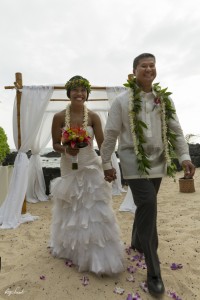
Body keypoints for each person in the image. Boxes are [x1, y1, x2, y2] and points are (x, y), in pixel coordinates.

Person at [100, 53, 195, 296]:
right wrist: (106, 163)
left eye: (152, 65)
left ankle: (136, 241)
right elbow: (110, 134)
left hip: (158, 162)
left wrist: (184, 157)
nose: (149, 69)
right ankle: (154, 271)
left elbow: (175, 129)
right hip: (133, 162)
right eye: (144, 65)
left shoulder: (163, 100)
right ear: (134, 71)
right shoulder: (121, 101)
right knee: (149, 204)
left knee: (146, 206)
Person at [50, 75, 124, 276]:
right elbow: (55, 144)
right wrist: (66, 150)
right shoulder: (58, 117)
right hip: (69, 166)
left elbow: (103, 144)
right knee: (71, 208)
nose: (79, 94)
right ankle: (72, 250)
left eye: (83, 90)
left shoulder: (93, 117)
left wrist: (108, 166)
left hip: (91, 165)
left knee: (93, 209)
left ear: (87, 94)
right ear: (69, 93)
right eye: (75, 90)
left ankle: (96, 253)